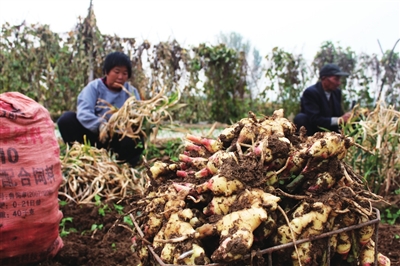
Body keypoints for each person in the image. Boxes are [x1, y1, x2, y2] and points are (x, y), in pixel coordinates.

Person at [57, 51, 144, 167]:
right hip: (93, 136)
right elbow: (84, 112)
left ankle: (122, 164)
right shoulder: (94, 87)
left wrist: (123, 129)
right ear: (106, 72)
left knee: (137, 137)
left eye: (125, 73)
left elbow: (137, 116)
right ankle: (82, 155)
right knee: (66, 120)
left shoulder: (131, 92)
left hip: (118, 138)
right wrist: (101, 126)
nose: (120, 77)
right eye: (116, 72)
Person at [293, 63, 352, 136]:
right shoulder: (311, 92)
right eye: (336, 79)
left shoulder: (337, 92)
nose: (338, 83)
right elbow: (314, 119)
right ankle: (305, 141)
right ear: (324, 78)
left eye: (339, 79)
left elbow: (337, 114)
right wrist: (339, 120)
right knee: (301, 118)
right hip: (314, 130)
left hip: (331, 131)